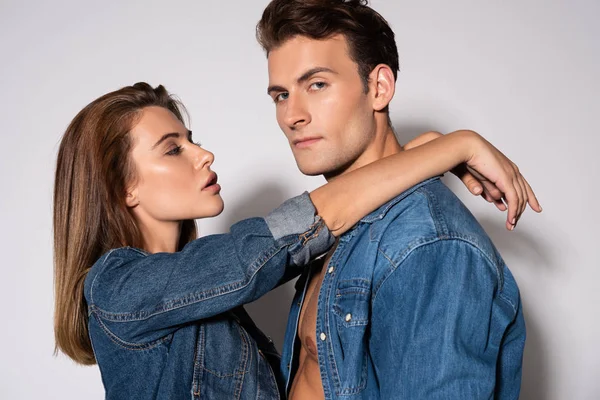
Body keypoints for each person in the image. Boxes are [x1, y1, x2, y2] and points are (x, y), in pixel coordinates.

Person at [53, 83, 538, 399]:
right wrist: (457, 145)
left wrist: (414, 153)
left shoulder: (198, 304)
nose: (203, 154)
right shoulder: (118, 287)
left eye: (191, 138)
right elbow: (278, 241)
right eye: (173, 149)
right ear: (124, 187)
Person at [256, 0, 542, 399]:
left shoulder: (430, 246)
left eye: (317, 84)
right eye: (281, 95)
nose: (292, 115)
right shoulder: (336, 228)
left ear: (379, 87)